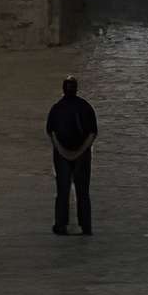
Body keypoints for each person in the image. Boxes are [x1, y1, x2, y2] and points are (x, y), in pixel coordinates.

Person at [45, 74, 98, 236]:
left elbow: (51, 132)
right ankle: (86, 225)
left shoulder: (56, 108)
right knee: (83, 192)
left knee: (62, 191)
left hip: (62, 154)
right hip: (82, 155)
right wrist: (81, 151)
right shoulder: (85, 107)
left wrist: (62, 151)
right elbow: (92, 133)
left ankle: (61, 225)